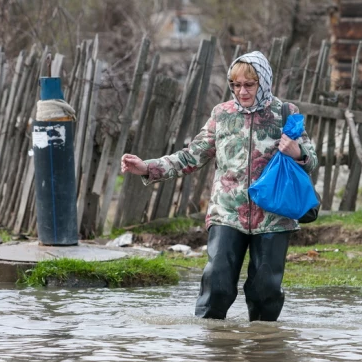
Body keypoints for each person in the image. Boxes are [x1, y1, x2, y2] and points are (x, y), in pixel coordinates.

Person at [121, 51, 318, 321]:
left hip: (274, 216)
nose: (242, 91)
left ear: (264, 82)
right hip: (227, 213)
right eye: (236, 85)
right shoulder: (221, 115)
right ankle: (213, 349)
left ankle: (264, 347)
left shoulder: (285, 112)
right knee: (217, 284)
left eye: (249, 84)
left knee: (265, 290)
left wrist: (297, 152)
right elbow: (191, 156)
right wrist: (147, 167)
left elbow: (311, 159)